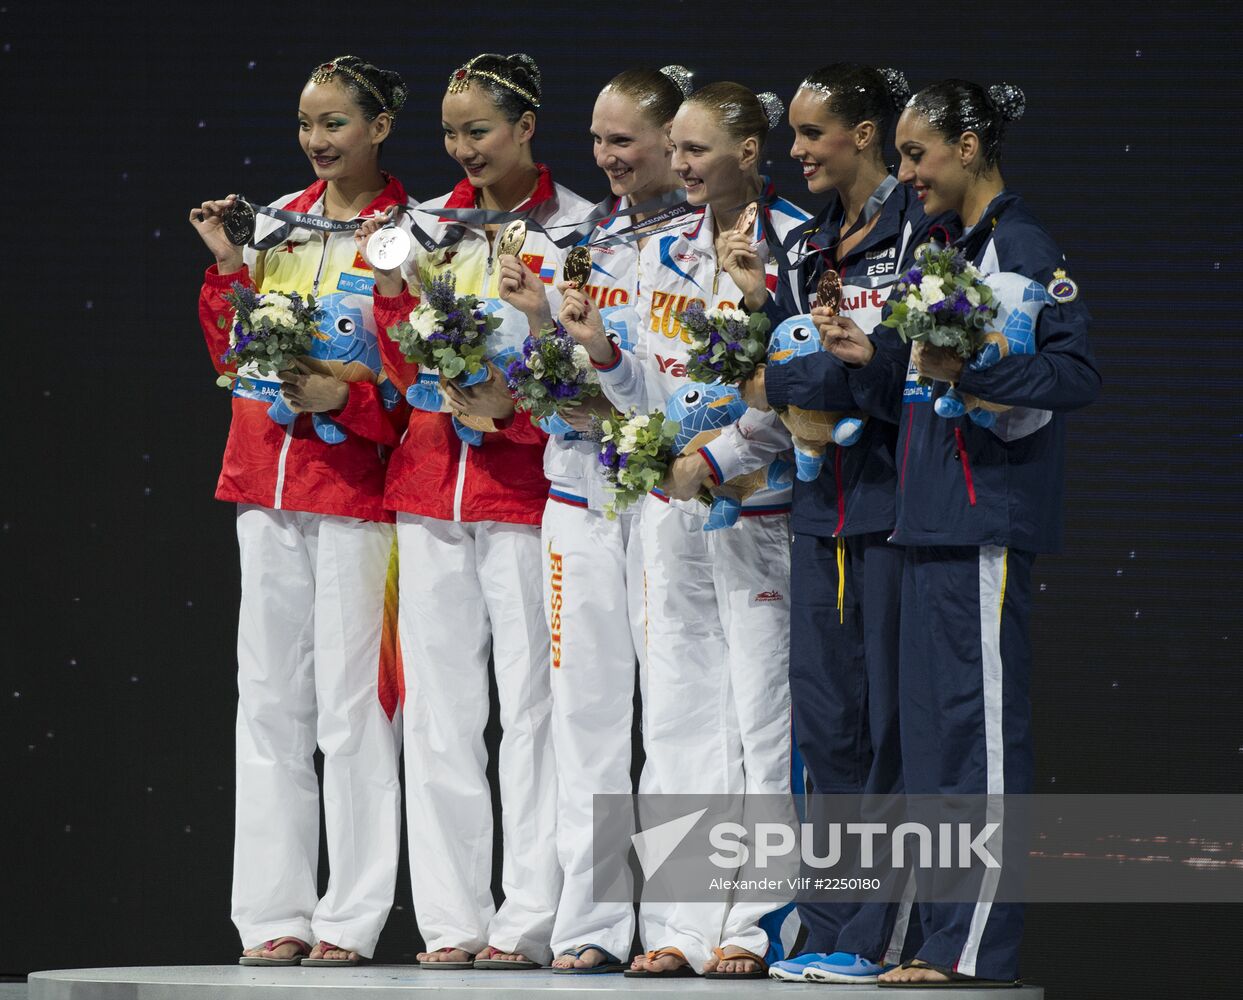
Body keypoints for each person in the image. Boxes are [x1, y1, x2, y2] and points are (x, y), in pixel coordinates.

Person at [822, 79, 1100, 987]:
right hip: (920, 518)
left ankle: (968, 947)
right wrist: (876, 360)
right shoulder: (940, 247)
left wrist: (973, 365)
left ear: (970, 147)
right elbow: (923, 386)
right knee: (923, 746)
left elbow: (1072, 374)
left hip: (982, 523)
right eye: (899, 156)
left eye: (916, 155)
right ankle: (906, 938)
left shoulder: (1020, 247)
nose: (904, 173)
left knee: (976, 747)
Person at [560, 81, 808, 979]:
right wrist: (603, 354)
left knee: (762, 726)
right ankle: (678, 923)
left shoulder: (797, 245)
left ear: (747, 153)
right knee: (677, 721)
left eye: (697, 151)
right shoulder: (657, 250)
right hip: (672, 516)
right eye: (680, 149)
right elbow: (647, 399)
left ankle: (753, 926)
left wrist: (718, 458)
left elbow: (797, 391)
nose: (682, 166)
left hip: (765, 517)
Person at [357, 51, 595, 971]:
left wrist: (518, 418)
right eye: (451, 134)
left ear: (526, 125)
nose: (462, 150)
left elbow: (576, 359)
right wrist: (392, 303)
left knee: (533, 708)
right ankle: (453, 919)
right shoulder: (421, 226)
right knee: (439, 712)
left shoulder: (579, 226)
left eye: (479, 131)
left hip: (525, 494)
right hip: (425, 491)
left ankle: (529, 915)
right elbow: (400, 356)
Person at [728, 64, 946, 985]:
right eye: (795, 136)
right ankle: (823, 920)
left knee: (893, 730)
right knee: (827, 731)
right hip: (822, 512)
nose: (799, 151)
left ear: (864, 134)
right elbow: (781, 367)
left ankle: (878, 934)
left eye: (814, 133)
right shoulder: (811, 245)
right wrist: (753, 307)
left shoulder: (923, 238)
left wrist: (816, 375)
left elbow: (913, 373)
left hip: (898, 510)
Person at [189, 55, 409, 967]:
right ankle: (271, 913)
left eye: (336, 124)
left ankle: (351, 918)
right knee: (269, 705)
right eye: (306, 125)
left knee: (352, 709)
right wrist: (231, 269)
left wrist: (345, 401)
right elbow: (230, 353)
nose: (318, 142)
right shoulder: (275, 225)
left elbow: (413, 380)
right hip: (263, 488)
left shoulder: (411, 235)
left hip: (358, 494)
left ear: (379, 129)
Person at [496, 64, 690, 976]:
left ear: (671, 141)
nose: (608, 158)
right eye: (599, 141)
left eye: (627, 141)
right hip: (580, 496)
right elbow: (552, 365)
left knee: (683, 714)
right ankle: (590, 920)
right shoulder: (584, 239)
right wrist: (538, 329)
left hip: (669, 500)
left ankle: (681, 926)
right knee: (585, 715)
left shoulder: (711, 237)